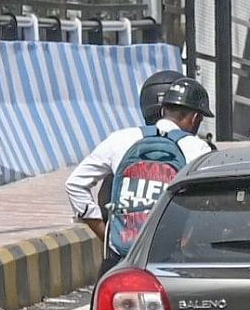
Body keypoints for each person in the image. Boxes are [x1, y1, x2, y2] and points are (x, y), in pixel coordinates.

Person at [69, 68, 214, 251]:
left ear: (163, 110)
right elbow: (206, 204)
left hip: (122, 254)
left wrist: (104, 233)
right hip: (167, 255)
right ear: (195, 118)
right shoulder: (198, 148)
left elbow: (74, 184)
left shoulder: (120, 139)